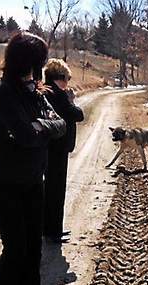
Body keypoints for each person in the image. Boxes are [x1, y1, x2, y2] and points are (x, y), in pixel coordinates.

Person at [0, 32, 66, 285]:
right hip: (2, 182)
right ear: (24, 61)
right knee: (16, 247)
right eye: (36, 61)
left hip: (31, 179)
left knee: (34, 245)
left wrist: (39, 124)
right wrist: (41, 128)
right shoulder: (2, 95)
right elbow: (28, 136)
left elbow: (61, 124)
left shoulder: (36, 92)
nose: (38, 67)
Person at [43, 58, 84, 243]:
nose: (67, 83)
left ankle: (47, 228)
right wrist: (71, 100)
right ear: (59, 78)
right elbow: (78, 115)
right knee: (56, 190)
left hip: (46, 147)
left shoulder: (44, 91)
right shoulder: (58, 95)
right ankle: (54, 231)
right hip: (57, 148)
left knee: (48, 189)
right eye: (67, 78)